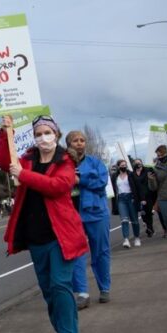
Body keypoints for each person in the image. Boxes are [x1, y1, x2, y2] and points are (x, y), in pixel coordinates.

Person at [0, 116, 87, 333]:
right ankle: (62, 330)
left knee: (60, 285)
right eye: (38, 134)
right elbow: (5, 162)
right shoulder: (27, 159)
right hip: (36, 236)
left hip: (61, 236)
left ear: (56, 135)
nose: (43, 137)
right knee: (48, 289)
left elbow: (58, 186)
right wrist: (6, 133)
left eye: (47, 133)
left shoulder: (65, 160)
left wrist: (24, 175)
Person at [65, 130, 112, 308]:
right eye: (75, 140)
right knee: (76, 254)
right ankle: (82, 293)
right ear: (68, 144)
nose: (79, 143)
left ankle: (104, 288)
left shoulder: (95, 162)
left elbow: (101, 183)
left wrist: (80, 179)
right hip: (71, 215)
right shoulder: (63, 164)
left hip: (96, 213)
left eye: (82, 140)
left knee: (101, 252)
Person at [111, 158, 143, 248]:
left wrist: (140, 198)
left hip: (131, 198)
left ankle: (137, 238)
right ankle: (126, 240)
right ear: (118, 167)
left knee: (134, 220)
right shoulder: (115, 177)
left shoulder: (131, 174)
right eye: (122, 165)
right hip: (121, 199)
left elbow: (137, 186)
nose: (124, 167)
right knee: (124, 220)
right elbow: (112, 188)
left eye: (125, 165)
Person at [132, 159, 157, 237]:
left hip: (148, 195)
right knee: (143, 213)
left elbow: (153, 175)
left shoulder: (147, 170)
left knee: (149, 212)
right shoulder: (132, 174)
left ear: (142, 163)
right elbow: (133, 186)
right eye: (136, 163)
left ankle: (150, 228)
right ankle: (148, 226)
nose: (138, 164)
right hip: (139, 196)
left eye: (139, 163)